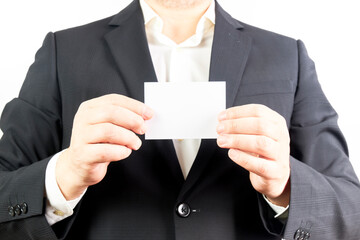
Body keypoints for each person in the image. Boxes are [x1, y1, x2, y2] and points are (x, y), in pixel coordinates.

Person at [0, 0, 359, 239]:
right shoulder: (65, 52)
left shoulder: (286, 55)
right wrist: (61, 178)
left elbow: (351, 210)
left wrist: (287, 184)